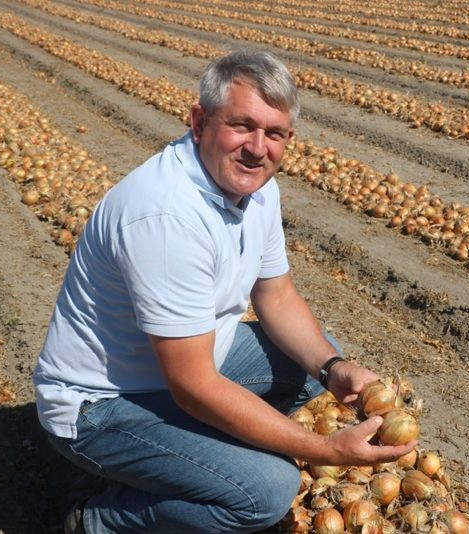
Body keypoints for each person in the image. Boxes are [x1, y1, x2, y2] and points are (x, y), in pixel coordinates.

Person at [33, 49, 416, 533]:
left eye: (274, 133)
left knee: (315, 363)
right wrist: (325, 450)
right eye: (242, 126)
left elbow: (275, 294)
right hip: (100, 406)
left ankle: (197, 457)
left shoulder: (256, 188)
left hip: (177, 370)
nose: (258, 148)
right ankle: (98, 518)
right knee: (267, 490)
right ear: (199, 121)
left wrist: (332, 369)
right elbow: (192, 386)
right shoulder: (167, 216)